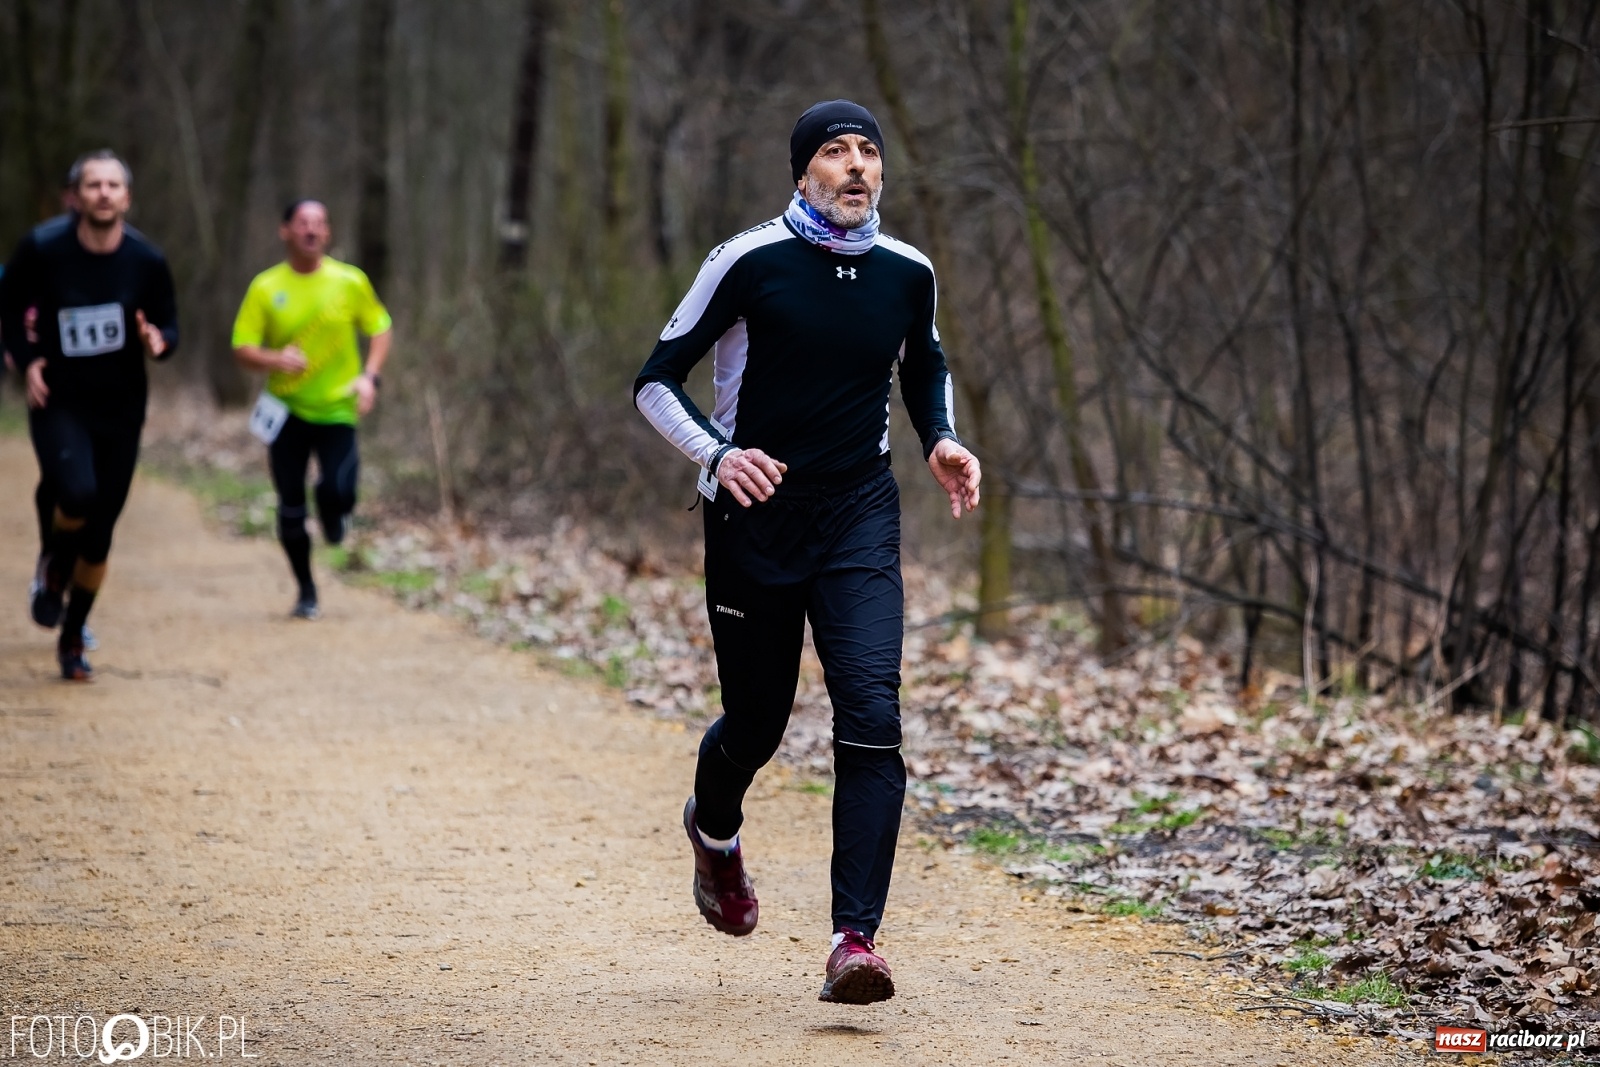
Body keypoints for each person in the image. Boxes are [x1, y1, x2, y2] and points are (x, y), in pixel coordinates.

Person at [633, 99, 981, 1005]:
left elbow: (923, 363)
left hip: (859, 511)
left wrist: (941, 437)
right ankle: (713, 834)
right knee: (757, 722)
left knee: (872, 711)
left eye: (869, 150)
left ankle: (853, 940)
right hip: (756, 513)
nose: (856, 165)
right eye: (835, 151)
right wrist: (718, 455)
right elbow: (655, 380)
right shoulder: (747, 261)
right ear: (802, 172)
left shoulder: (908, 271)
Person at [0, 150, 180, 680]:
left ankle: (73, 635)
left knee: (99, 534)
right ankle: (54, 565)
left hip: (121, 407)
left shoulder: (147, 260)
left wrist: (158, 342)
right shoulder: (43, 248)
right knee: (77, 492)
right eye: (93, 184)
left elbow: (170, 327)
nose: (103, 193)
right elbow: (8, 306)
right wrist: (27, 360)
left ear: (127, 198)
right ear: (75, 196)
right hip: (59, 399)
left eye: (113, 185)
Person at [231, 199, 392, 620]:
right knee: (290, 505)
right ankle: (306, 590)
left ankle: (334, 513)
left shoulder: (350, 281)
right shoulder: (266, 287)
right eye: (303, 223)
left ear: (328, 233)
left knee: (337, 490)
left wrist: (370, 377)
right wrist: (274, 359)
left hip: (338, 407)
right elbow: (242, 347)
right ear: (285, 230)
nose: (311, 230)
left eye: (319, 223)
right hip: (285, 411)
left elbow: (380, 327)